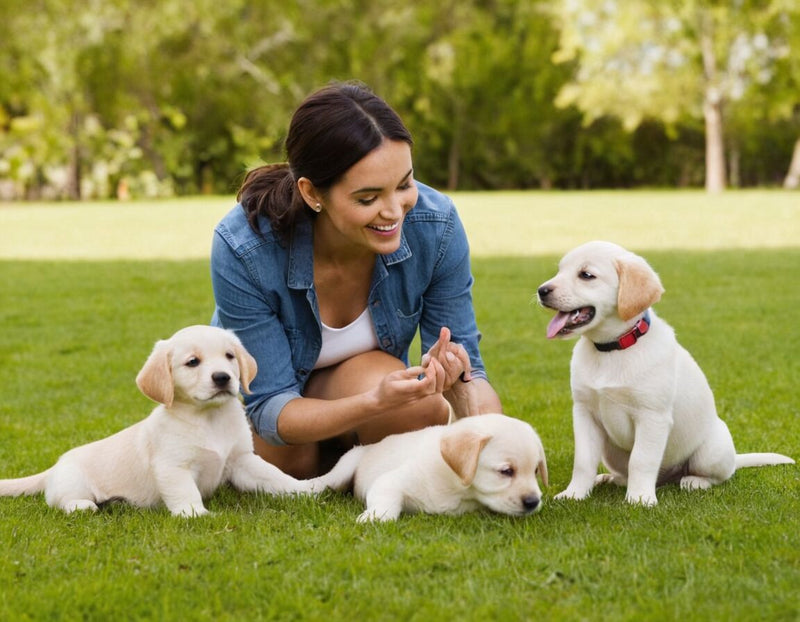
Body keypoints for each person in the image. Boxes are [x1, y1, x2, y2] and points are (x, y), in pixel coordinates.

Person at [210, 82, 502, 478]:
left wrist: (493, 444)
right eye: (368, 198)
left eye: (405, 184)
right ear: (313, 193)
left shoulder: (436, 224)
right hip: (280, 407)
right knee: (290, 463)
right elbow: (271, 409)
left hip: (357, 379)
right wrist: (374, 402)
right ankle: (351, 455)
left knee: (423, 410)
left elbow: (471, 371)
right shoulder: (245, 246)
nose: (394, 211)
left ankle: (357, 455)